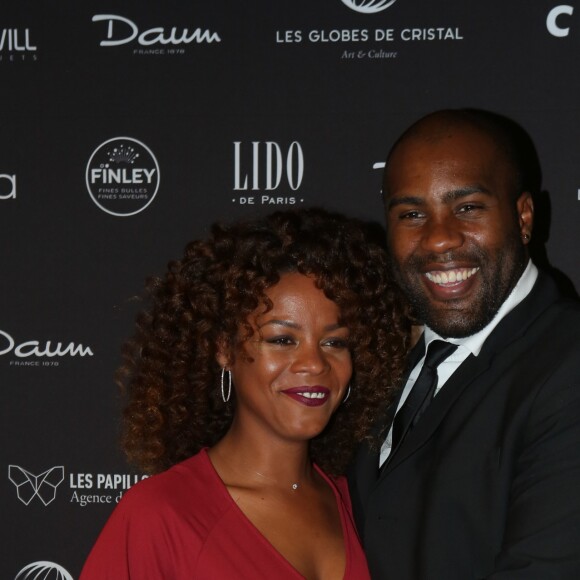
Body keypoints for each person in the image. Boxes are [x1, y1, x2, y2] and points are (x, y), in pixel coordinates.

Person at [80, 208, 409, 579]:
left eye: (334, 342)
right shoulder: (160, 515)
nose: (314, 363)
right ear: (225, 348)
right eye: (283, 339)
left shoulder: (359, 504)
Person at [349, 109, 580, 579]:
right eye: (412, 214)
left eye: (467, 207)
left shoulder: (568, 366)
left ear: (523, 217)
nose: (438, 240)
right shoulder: (372, 359)